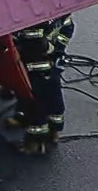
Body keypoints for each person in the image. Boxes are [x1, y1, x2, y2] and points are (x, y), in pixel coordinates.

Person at [5, 14, 74, 154]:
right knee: (53, 96)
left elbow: (34, 42)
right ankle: (54, 131)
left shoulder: (33, 15)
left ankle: (34, 143)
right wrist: (56, 49)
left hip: (35, 65)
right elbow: (68, 27)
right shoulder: (61, 9)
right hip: (53, 63)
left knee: (34, 101)